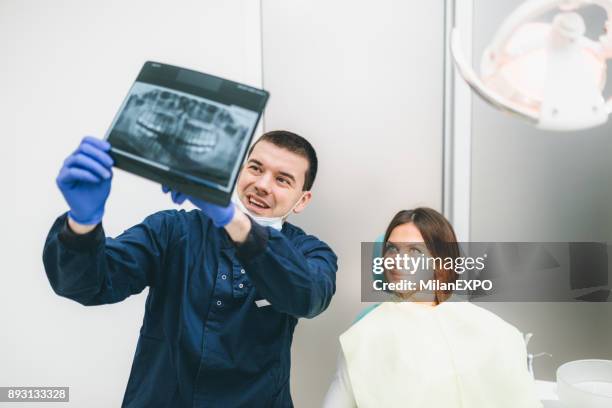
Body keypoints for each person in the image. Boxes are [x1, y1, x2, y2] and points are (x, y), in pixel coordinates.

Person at [42, 131, 338, 407]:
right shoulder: (173, 230)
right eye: (256, 168)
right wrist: (82, 222)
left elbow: (307, 296)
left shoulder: (310, 253)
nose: (262, 184)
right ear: (239, 171)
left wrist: (233, 220)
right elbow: (86, 284)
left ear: (302, 200)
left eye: (282, 180)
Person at [323, 207, 542, 408]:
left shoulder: (491, 330)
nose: (398, 260)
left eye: (415, 251)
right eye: (392, 249)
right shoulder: (364, 335)